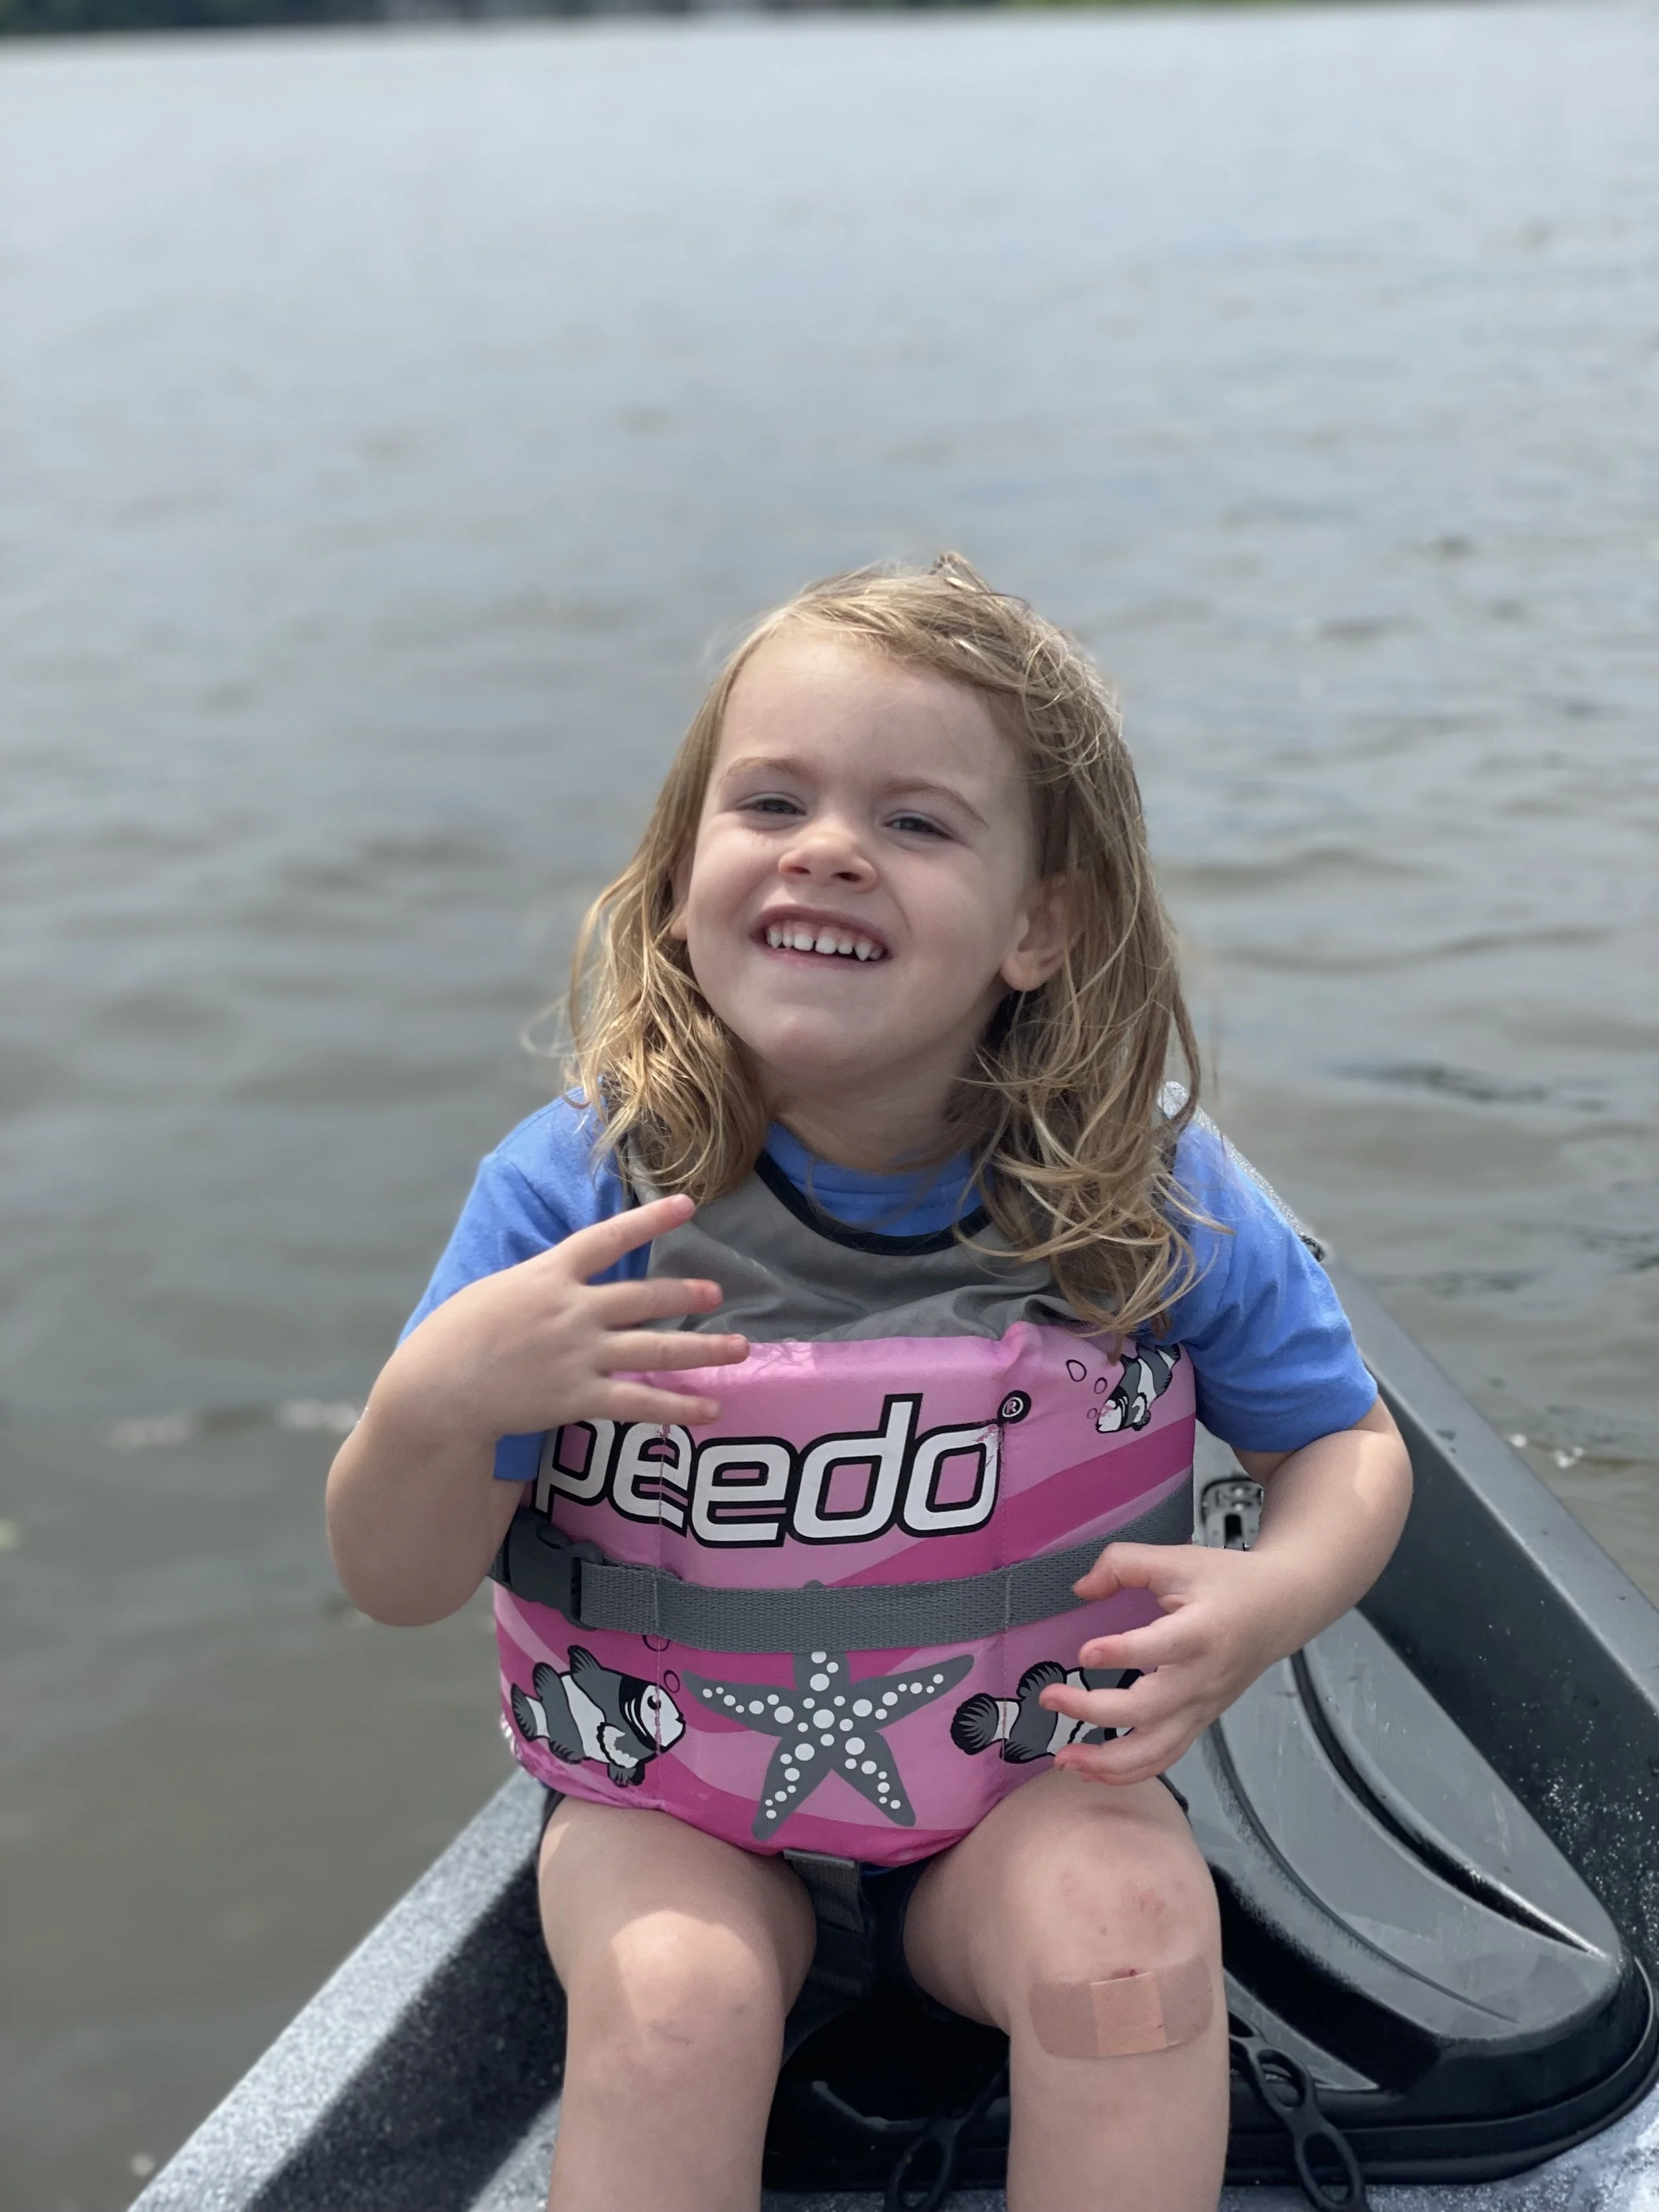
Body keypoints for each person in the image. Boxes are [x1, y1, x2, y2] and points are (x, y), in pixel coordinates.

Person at [326, 555, 1413, 2212]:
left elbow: (1343, 1445)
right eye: (770, 800)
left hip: (1025, 1787)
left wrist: (1272, 1592)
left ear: (1041, 925)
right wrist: (436, 1402)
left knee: (1130, 1950)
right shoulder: (573, 1203)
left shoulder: (1152, 1197)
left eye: (915, 822)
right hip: (671, 1803)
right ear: (687, 870)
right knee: (674, 2008)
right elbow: (393, 1582)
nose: (827, 845)